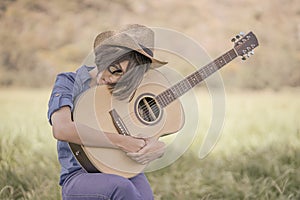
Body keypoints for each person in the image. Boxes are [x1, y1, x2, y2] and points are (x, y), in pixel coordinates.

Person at [47, 24, 167, 200]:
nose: (113, 79)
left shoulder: (125, 91)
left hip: (123, 168)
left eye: (124, 76)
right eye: (114, 68)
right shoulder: (68, 82)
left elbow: (143, 135)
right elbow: (62, 129)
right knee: (121, 188)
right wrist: (121, 141)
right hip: (80, 176)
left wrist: (157, 147)